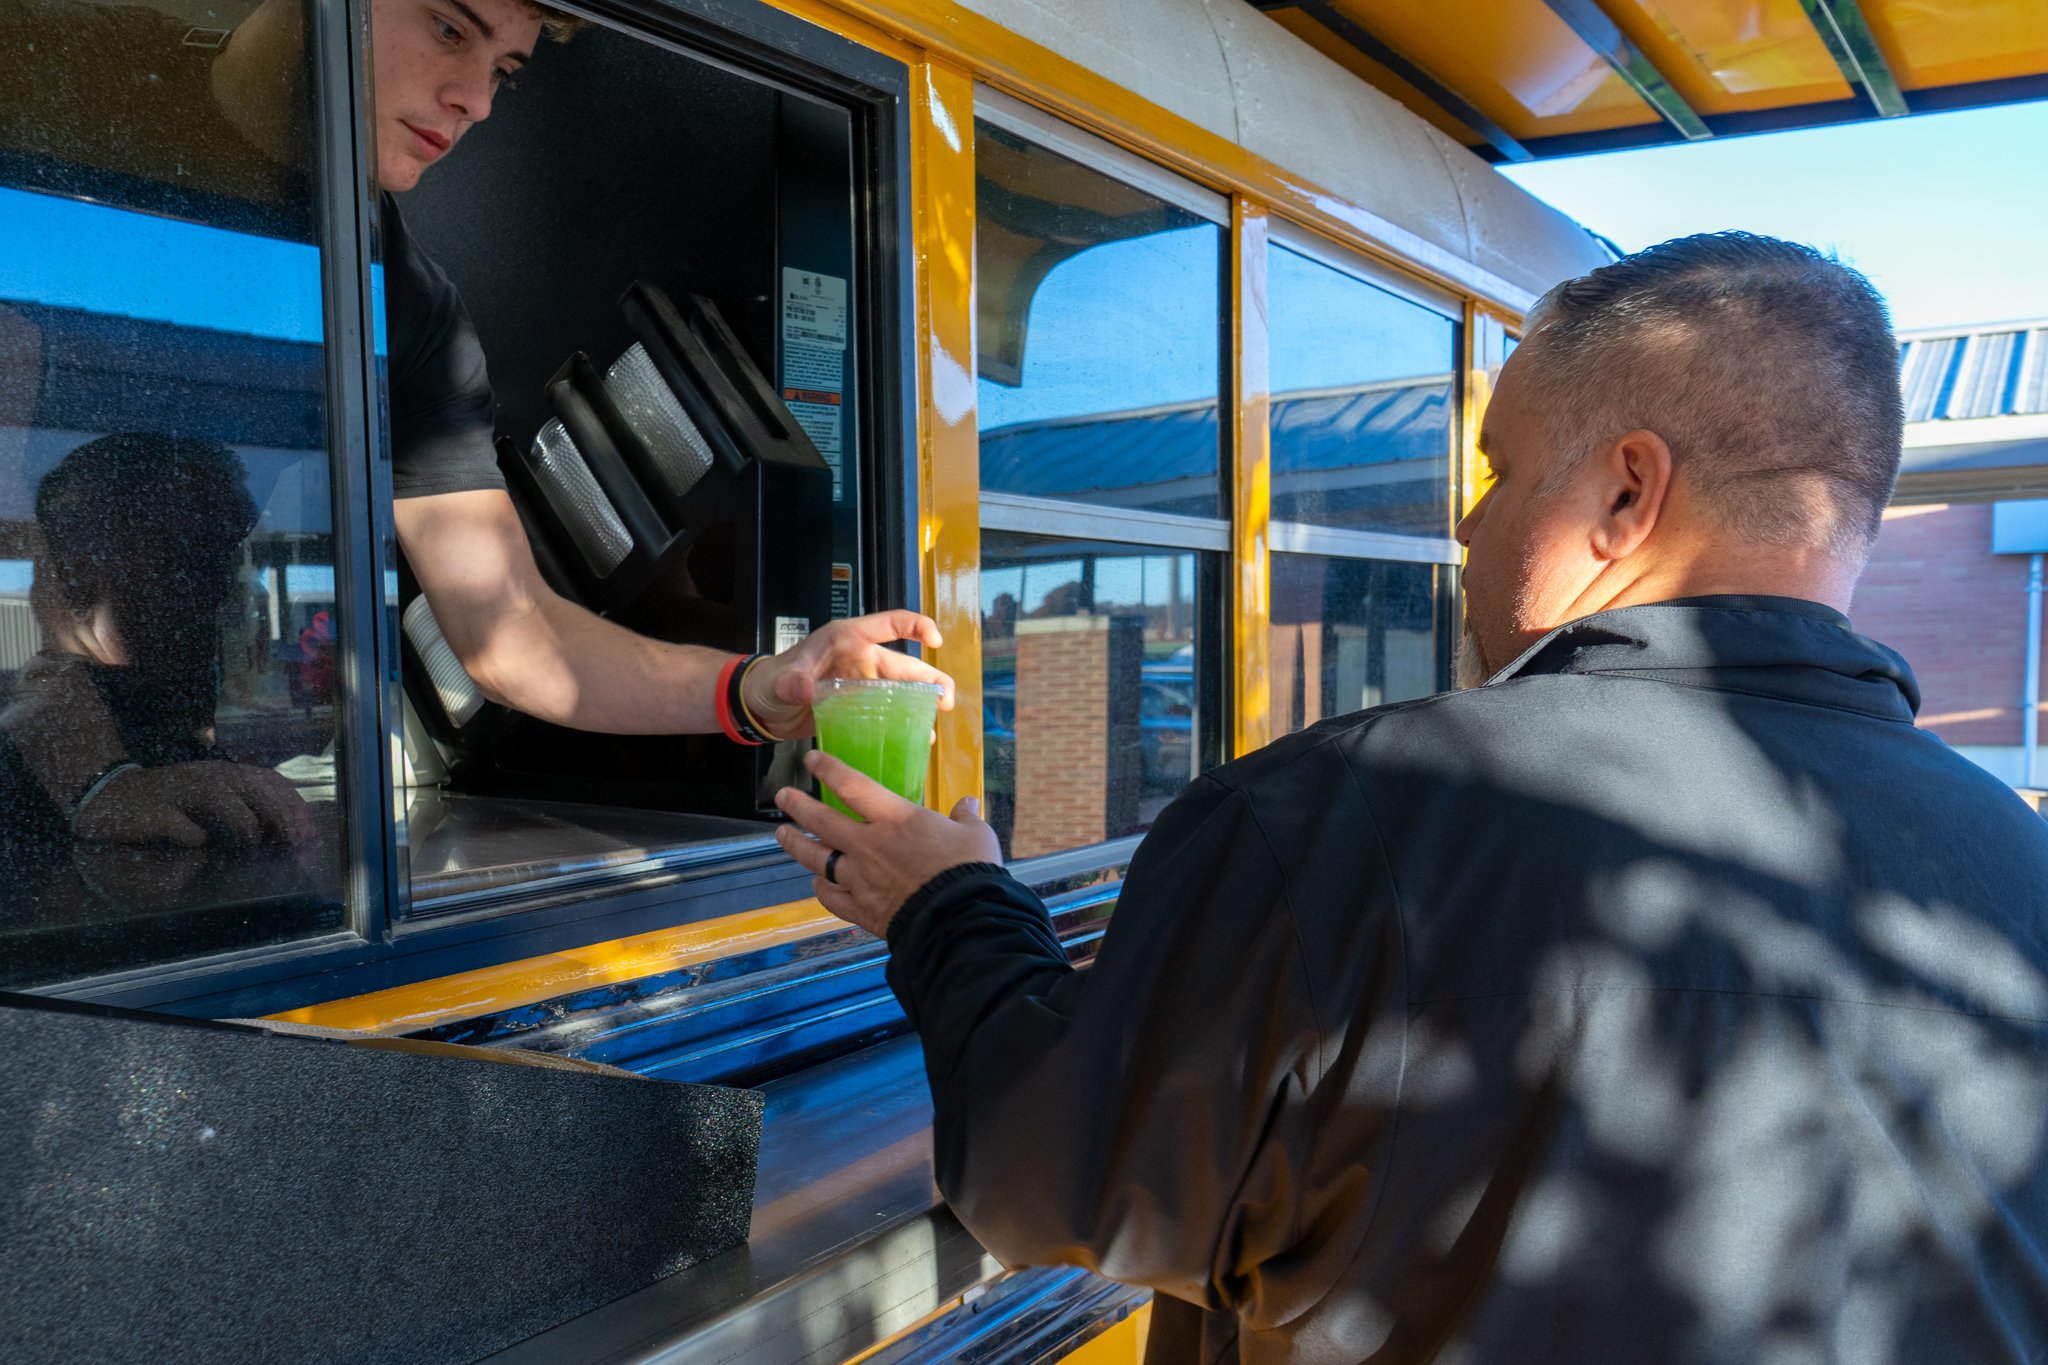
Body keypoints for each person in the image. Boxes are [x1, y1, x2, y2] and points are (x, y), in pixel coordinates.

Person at [772, 233, 2048, 1363]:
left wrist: (947, 910)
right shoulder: (2018, 873)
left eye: (1494, 474)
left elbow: (1051, 1177)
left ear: (1624, 492)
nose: (1467, 528)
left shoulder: (1338, 817)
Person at [0, 0, 949, 844]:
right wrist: (92, 781)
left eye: (502, 69)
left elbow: (512, 635)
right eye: (451, 29)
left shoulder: (407, 304)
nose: (478, 101)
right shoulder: (55, 84)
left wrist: (757, 688)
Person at [0, 434, 313, 848]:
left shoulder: (156, 731)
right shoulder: (38, 749)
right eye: (193, 561)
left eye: (236, 561)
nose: (227, 593)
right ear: (76, 576)